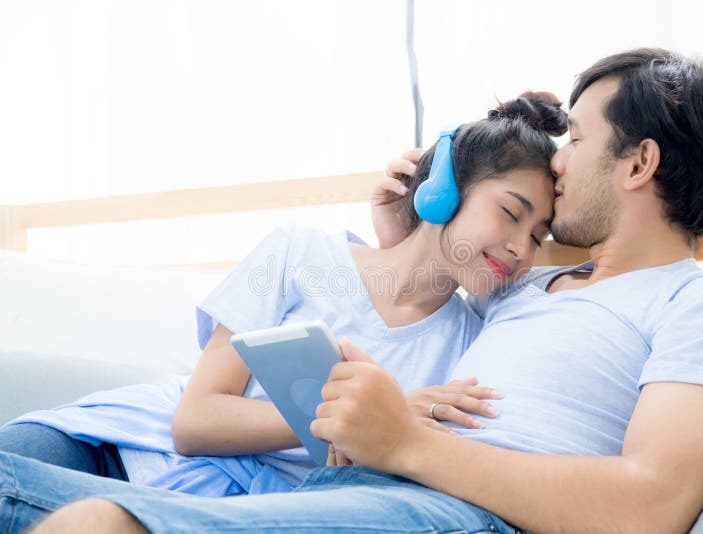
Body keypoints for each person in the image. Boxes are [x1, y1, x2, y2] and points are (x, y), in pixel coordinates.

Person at [1, 48, 703, 534]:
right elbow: (426, 286)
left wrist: (406, 440)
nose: (559, 162)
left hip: (453, 509)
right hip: (360, 481)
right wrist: (411, 228)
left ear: (638, 165)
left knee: (102, 523)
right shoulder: (525, 290)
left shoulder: (702, 303)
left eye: (578, 140)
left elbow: (650, 507)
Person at [0, 92, 564, 496]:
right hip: (119, 452)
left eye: (539, 236)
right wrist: (344, 414)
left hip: (210, 510)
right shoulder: (299, 253)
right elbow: (194, 423)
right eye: (511, 213)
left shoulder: (473, 347)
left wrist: (380, 427)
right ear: (444, 188)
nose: (521, 247)